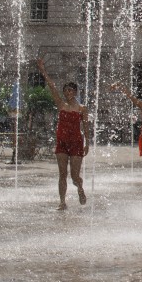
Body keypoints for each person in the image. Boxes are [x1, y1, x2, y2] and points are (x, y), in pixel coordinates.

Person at [36, 58, 91, 210]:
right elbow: (51, 86)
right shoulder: (61, 105)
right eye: (66, 90)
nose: (68, 93)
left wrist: (88, 143)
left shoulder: (82, 108)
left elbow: (85, 126)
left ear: (75, 92)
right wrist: (43, 70)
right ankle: (62, 201)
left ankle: (80, 188)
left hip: (76, 142)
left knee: (74, 176)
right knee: (62, 174)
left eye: (71, 90)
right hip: (61, 141)